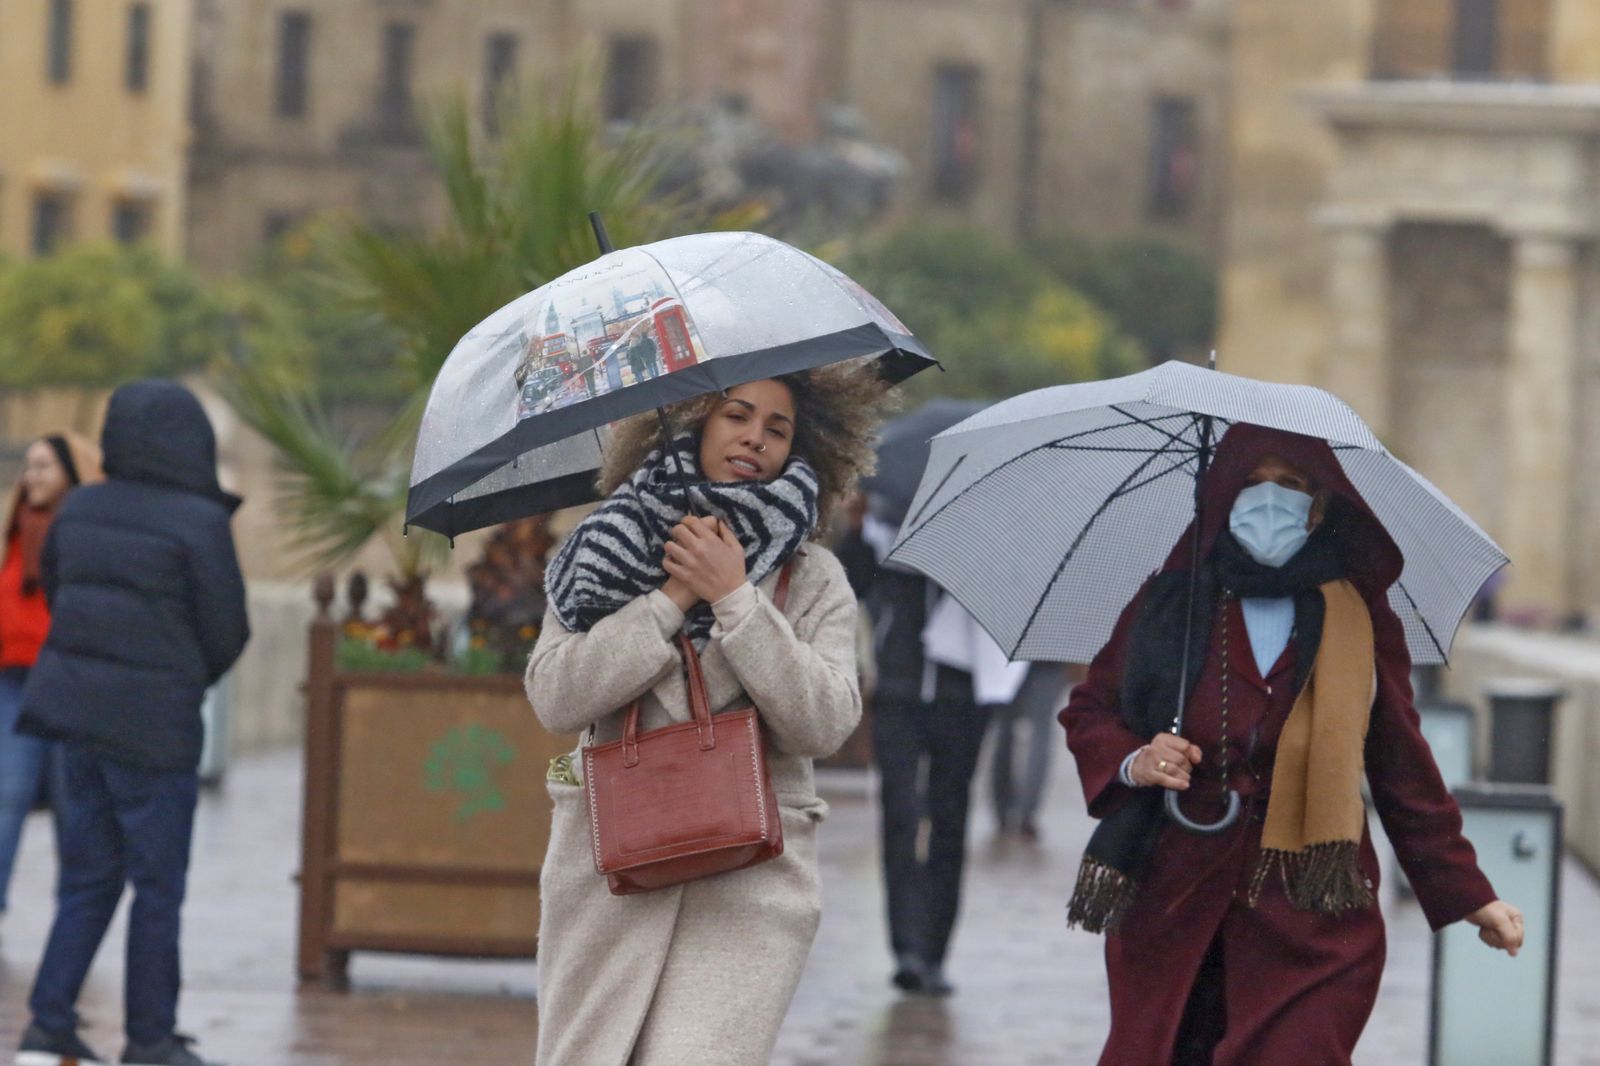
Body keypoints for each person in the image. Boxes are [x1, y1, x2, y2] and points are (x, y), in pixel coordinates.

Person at [1061, 423, 1523, 1064]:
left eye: (1291, 483)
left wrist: (1469, 892)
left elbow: (1401, 767)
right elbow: (1090, 711)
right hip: (1177, 899)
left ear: (1321, 504)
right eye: (1250, 483)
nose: (1268, 498)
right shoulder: (1171, 602)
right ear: (1222, 495)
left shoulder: (1361, 617)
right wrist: (1138, 760)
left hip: (1313, 911)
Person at [527, 365, 888, 1065]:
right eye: (737, 416)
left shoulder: (813, 577)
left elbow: (826, 724)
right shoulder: (600, 551)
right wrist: (668, 602)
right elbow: (555, 697)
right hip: (609, 872)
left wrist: (735, 600)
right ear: (695, 422)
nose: (755, 438)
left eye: (777, 429)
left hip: (751, 878)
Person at [13, 381, 250, 1066]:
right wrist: (181, 676)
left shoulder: (80, 509)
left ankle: (48, 1025)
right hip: (153, 731)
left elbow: (59, 592)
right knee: (156, 888)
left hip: (73, 719)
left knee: (86, 880)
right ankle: (148, 1038)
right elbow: (228, 629)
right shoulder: (199, 521)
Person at [837, 513, 990, 997]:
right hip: (898, 693)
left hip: (962, 695)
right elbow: (849, 585)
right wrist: (858, 531)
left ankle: (935, 952)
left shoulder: (986, 531)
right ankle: (905, 948)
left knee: (949, 819)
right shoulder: (886, 525)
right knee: (900, 815)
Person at [0, 432, 101, 929]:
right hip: (13, 684)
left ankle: (74, 924)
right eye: (28, 466)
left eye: (44, 466)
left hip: (68, 688)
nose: (32, 476)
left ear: (72, 473)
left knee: (73, 809)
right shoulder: (16, 530)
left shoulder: (88, 535)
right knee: (6, 797)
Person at [988, 662, 1073, 840]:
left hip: (1008, 661)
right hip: (1050, 659)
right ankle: (1027, 812)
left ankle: (1003, 808)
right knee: (1040, 733)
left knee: (1005, 730)